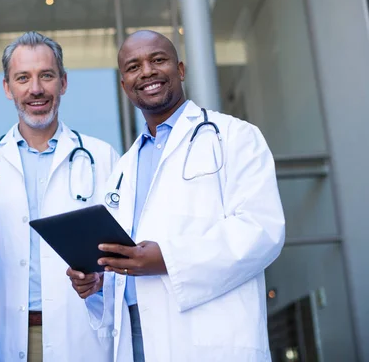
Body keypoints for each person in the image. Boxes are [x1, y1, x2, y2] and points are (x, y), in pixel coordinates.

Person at [67, 30, 286, 361]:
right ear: (124, 85)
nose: (147, 72)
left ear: (180, 70)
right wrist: (98, 282)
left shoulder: (233, 137)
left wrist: (167, 259)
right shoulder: (122, 170)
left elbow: (262, 230)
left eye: (158, 60)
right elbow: (124, 261)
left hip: (209, 338)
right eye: (133, 66)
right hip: (136, 339)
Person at [0, 31, 119, 362]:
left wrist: (102, 280)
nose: (36, 89)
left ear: (63, 82)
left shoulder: (103, 157)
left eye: (46, 75)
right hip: (1, 332)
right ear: (6, 88)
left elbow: (124, 247)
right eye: (23, 78)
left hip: (81, 332)